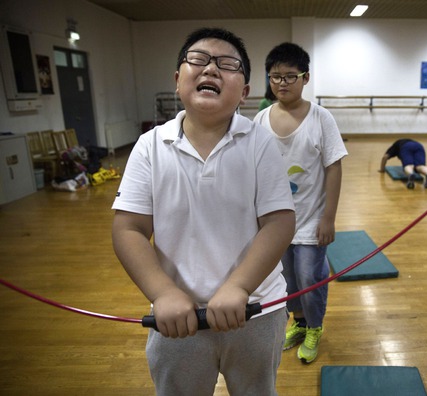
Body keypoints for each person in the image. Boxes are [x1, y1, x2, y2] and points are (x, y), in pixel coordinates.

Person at [111, 27, 296, 396]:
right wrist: (162, 292)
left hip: (256, 310)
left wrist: (240, 285)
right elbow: (128, 228)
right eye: (198, 60)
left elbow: (279, 222)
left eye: (228, 65)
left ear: (244, 92)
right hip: (177, 318)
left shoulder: (260, 142)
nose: (211, 69)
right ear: (178, 80)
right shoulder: (150, 146)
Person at [254, 42, 348, 364]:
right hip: (275, 221)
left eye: (290, 76)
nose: (282, 82)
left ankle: (315, 327)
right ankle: (300, 322)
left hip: (311, 218)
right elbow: (254, 170)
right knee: (287, 280)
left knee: (310, 277)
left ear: (306, 78)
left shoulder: (322, 119)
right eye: (275, 76)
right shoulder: (261, 119)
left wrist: (329, 218)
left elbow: (333, 166)